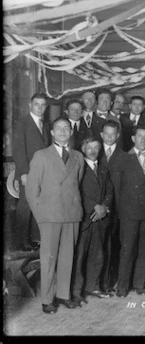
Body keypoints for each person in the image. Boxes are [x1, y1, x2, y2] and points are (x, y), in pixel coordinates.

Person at [26, 117, 85, 313]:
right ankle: (47, 299)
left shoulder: (78, 156)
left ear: (71, 131)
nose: (62, 131)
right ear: (51, 132)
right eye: (58, 128)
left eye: (66, 128)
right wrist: (40, 215)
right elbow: (32, 190)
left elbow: (77, 183)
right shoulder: (41, 155)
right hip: (49, 215)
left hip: (71, 214)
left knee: (68, 258)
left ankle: (63, 295)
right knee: (49, 259)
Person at [112, 124, 145, 298]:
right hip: (129, 213)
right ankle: (123, 286)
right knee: (127, 250)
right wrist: (121, 212)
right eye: (139, 136)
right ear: (133, 138)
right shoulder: (122, 159)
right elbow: (117, 190)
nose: (143, 139)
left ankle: (140, 283)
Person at [72, 136, 113, 304]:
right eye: (90, 147)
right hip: (84, 220)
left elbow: (110, 192)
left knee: (98, 255)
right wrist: (94, 206)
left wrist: (104, 207)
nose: (93, 151)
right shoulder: (78, 168)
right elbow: (75, 192)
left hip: (100, 220)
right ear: (83, 149)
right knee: (79, 256)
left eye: (96, 147)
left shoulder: (103, 170)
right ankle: (76, 292)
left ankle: (93, 286)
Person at [12, 92, 51, 251]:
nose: (40, 108)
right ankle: (20, 242)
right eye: (37, 104)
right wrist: (24, 174)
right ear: (30, 105)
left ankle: (34, 239)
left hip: (43, 174)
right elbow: (18, 151)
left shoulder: (46, 124)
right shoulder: (22, 123)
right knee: (25, 207)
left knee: (39, 205)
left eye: (43, 105)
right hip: (28, 174)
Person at [98, 120, 126, 294]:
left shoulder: (124, 157)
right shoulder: (93, 152)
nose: (109, 137)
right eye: (106, 134)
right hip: (97, 209)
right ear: (101, 135)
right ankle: (96, 283)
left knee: (114, 246)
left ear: (117, 135)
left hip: (117, 210)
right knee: (98, 248)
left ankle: (109, 282)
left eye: (113, 134)